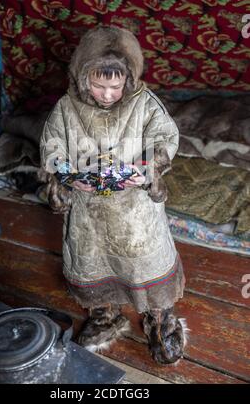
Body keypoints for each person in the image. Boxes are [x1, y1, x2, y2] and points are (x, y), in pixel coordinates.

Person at [40, 25, 187, 364]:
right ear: (81, 77)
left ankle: (159, 317)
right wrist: (65, 172)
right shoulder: (66, 108)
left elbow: (166, 136)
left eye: (115, 86)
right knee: (92, 263)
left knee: (144, 263)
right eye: (98, 85)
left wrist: (149, 165)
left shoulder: (144, 104)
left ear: (129, 80)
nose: (107, 94)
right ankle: (105, 314)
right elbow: (51, 144)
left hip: (134, 212)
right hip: (87, 210)